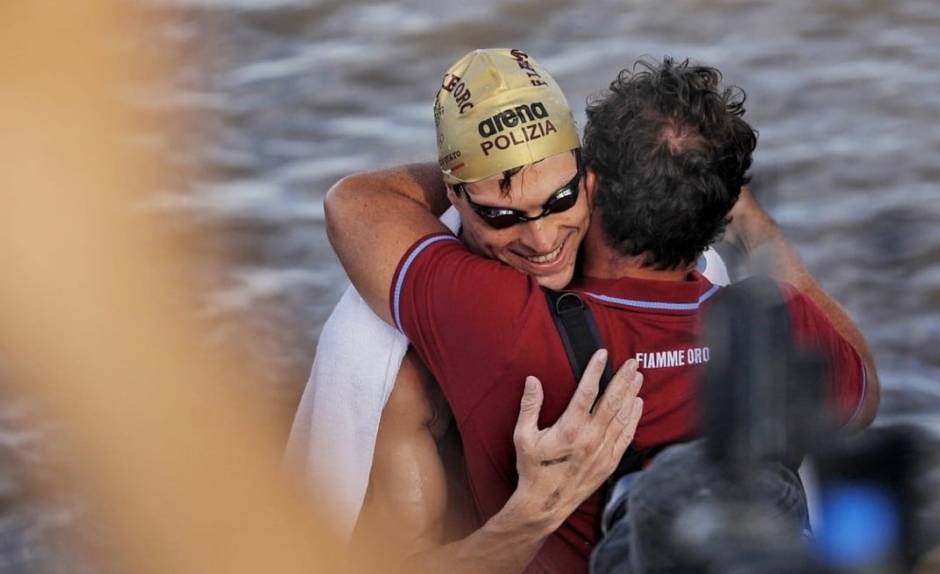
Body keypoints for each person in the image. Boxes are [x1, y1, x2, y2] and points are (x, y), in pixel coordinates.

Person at [326, 54, 880, 573]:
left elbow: (354, 205)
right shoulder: (780, 326)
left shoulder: (502, 322)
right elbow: (863, 394)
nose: (541, 236)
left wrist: (496, 171)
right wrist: (756, 228)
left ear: (591, 183)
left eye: (562, 196)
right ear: (717, 214)